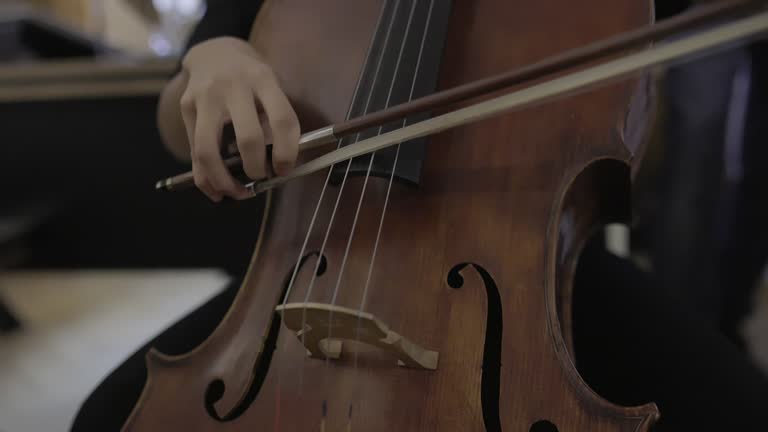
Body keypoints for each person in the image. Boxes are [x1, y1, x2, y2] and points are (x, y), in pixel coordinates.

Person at [71, 1, 768, 431]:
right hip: (316, 264)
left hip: (524, 270)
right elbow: (176, 119)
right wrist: (206, 64)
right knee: (108, 417)